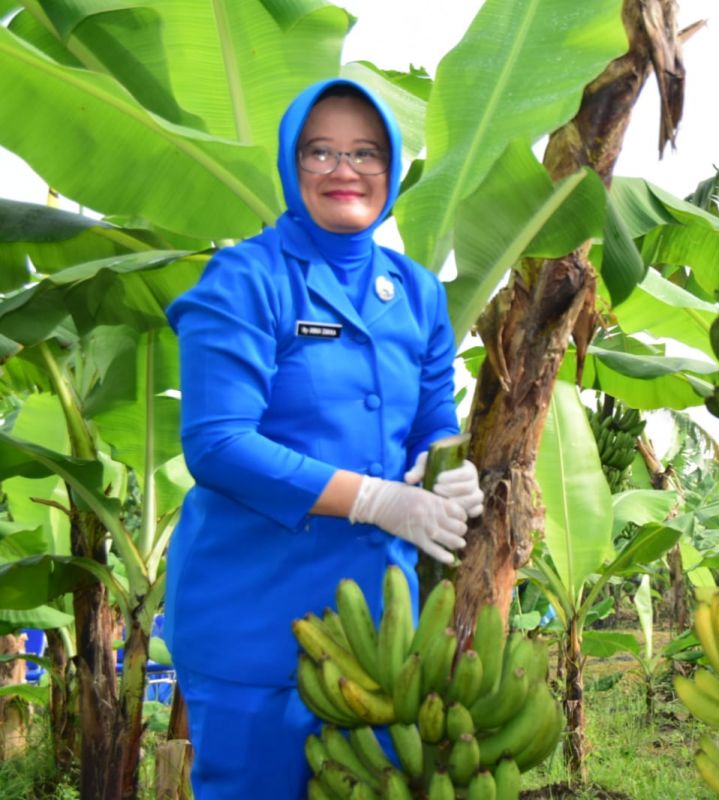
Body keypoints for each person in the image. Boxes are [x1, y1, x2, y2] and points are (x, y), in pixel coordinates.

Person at [164, 78, 484, 799]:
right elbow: (218, 444)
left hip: (380, 626)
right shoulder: (246, 279)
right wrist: (374, 500)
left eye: (366, 152)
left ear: (392, 167)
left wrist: (443, 466)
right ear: (291, 162)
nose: (346, 171)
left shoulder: (418, 293)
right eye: (321, 152)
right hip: (254, 616)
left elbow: (432, 416)